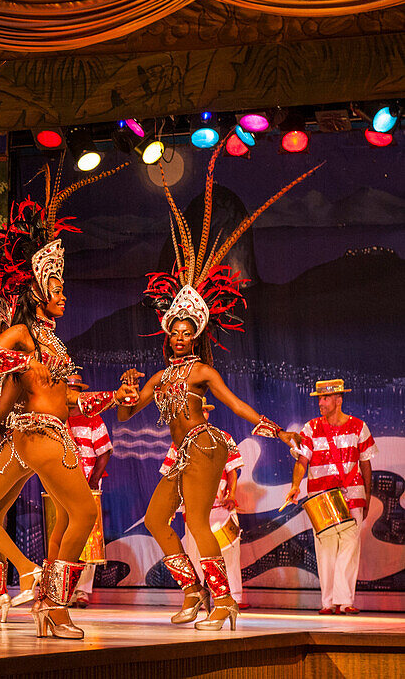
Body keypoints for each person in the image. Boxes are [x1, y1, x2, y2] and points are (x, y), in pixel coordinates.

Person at [118, 147, 316, 631]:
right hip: (177, 452)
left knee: (198, 523)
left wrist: (277, 433)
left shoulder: (203, 373)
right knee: (156, 520)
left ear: (197, 334)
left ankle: (223, 601)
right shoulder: (160, 377)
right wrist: (122, 397)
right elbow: (125, 418)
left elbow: (237, 406)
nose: (182, 334)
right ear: (167, 333)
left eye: (189, 329)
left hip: (204, 446)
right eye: (176, 329)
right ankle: (192, 593)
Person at [0, 187, 136, 641]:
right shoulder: (24, 333)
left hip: (21, 440)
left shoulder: (53, 343)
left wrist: (113, 396)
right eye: (56, 288)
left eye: (64, 288)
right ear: (38, 290)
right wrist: (5, 361)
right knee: (82, 515)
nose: (64, 296)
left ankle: (34, 588)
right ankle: (53, 603)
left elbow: (59, 402)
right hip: (44, 438)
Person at [284, 378, 376, 615]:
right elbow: (301, 461)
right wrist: (295, 485)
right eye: (319, 398)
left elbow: (366, 466)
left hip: (353, 495)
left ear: (338, 399)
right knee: (325, 548)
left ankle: (345, 601)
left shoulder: (359, 427)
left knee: (350, 547)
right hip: (322, 497)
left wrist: (367, 496)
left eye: (325, 398)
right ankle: (328, 602)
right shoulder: (311, 428)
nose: (321, 403)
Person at [164, 404, 248, 609]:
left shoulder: (222, 437)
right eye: (199, 410)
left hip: (221, 505)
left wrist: (232, 493)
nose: (204, 414)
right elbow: (171, 476)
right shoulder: (179, 443)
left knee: (229, 551)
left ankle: (234, 596)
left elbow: (232, 470)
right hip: (194, 508)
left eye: (206, 410)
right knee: (196, 553)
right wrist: (170, 507)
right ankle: (203, 596)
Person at [65, 373, 113, 608]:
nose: (71, 393)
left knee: (88, 536)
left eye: (75, 389)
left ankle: (82, 591)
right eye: (68, 388)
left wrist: (93, 480)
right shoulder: (57, 417)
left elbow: (104, 452)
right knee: (64, 536)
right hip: (63, 484)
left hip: (87, 483)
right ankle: (65, 589)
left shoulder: (93, 419)